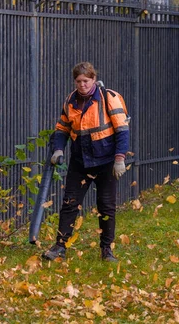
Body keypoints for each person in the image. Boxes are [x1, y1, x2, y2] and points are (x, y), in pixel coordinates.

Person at [42, 62, 130, 262]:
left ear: (93, 79)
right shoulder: (70, 100)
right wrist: (58, 149)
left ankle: (106, 250)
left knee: (106, 206)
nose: (82, 85)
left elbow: (122, 130)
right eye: (78, 81)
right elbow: (62, 128)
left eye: (86, 81)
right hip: (80, 161)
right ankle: (60, 247)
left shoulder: (109, 98)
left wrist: (119, 159)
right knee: (69, 204)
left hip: (106, 162)